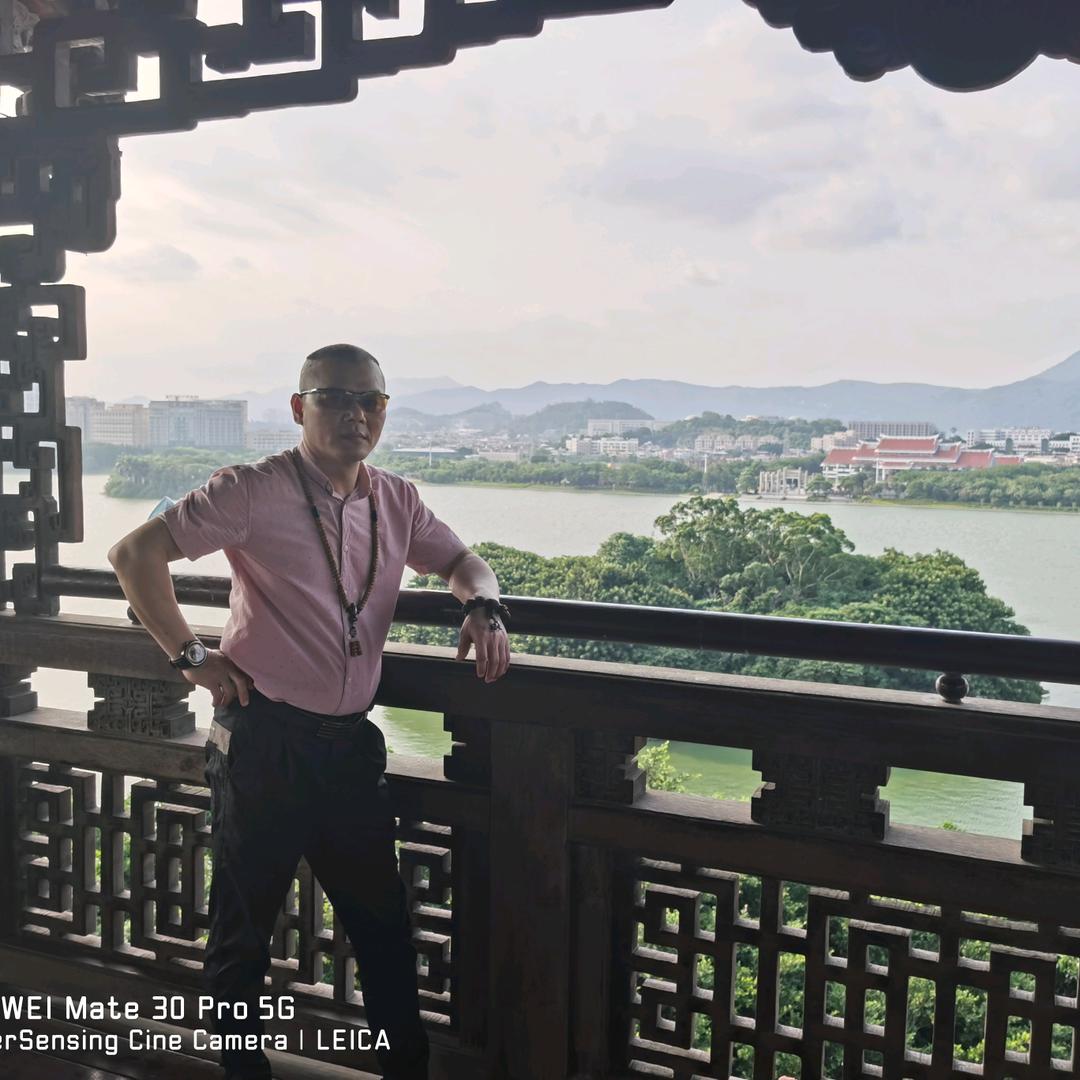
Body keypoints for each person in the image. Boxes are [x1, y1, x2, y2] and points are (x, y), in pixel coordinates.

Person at [108, 344, 510, 1080]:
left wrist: (483, 606)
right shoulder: (253, 490)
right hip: (265, 740)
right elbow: (134, 554)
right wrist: (193, 658)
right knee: (242, 937)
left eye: (372, 402)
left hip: (350, 749)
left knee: (383, 930)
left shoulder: (397, 499)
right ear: (300, 409)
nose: (356, 415)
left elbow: (462, 562)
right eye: (335, 398)